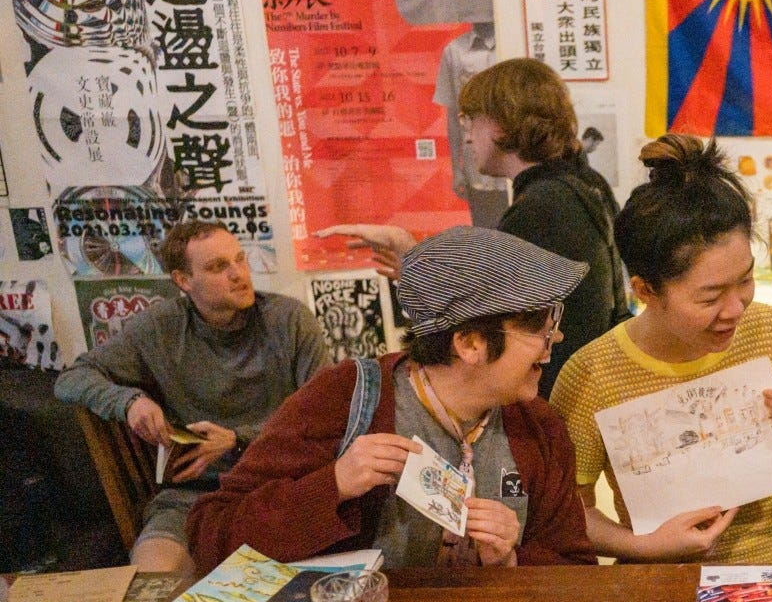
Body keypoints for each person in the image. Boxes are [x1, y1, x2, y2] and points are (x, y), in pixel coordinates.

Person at [187, 227, 596, 573]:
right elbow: (210, 534)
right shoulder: (348, 397)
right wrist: (333, 485)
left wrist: (511, 560)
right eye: (539, 329)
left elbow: (576, 568)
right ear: (470, 344)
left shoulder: (539, 427)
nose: (554, 340)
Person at [549, 134, 772, 565]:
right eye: (710, 297)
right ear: (646, 291)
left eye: (746, 280)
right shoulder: (591, 374)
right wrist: (646, 546)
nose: (736, 308)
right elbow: (569, 511)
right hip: (662, 581)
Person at [316, 58, 627, 400]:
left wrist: (412, 257)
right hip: (588, 390)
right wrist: (412, 259)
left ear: (504, 122)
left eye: (472, 119)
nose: (466, 136)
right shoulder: (581, 185)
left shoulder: (541, 207)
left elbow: (481, 328)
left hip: (555, 399)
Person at [55, 220, 330, 576]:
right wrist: (130, 401)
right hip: (194, 495)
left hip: (279, 485)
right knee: (152, 578)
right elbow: (72, 378)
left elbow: (325, 416)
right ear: (184, 280)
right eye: (218, 267)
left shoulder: (288, 319)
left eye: (240, 259)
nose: (238, 274)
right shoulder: (161, 326)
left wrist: (237, 439)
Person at [392, 0, 510, 228]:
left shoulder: (514, 43)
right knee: (485, 235)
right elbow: (453, 115)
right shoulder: (455, 51)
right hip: (477, 167)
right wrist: (456, 169)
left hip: (514, 164)